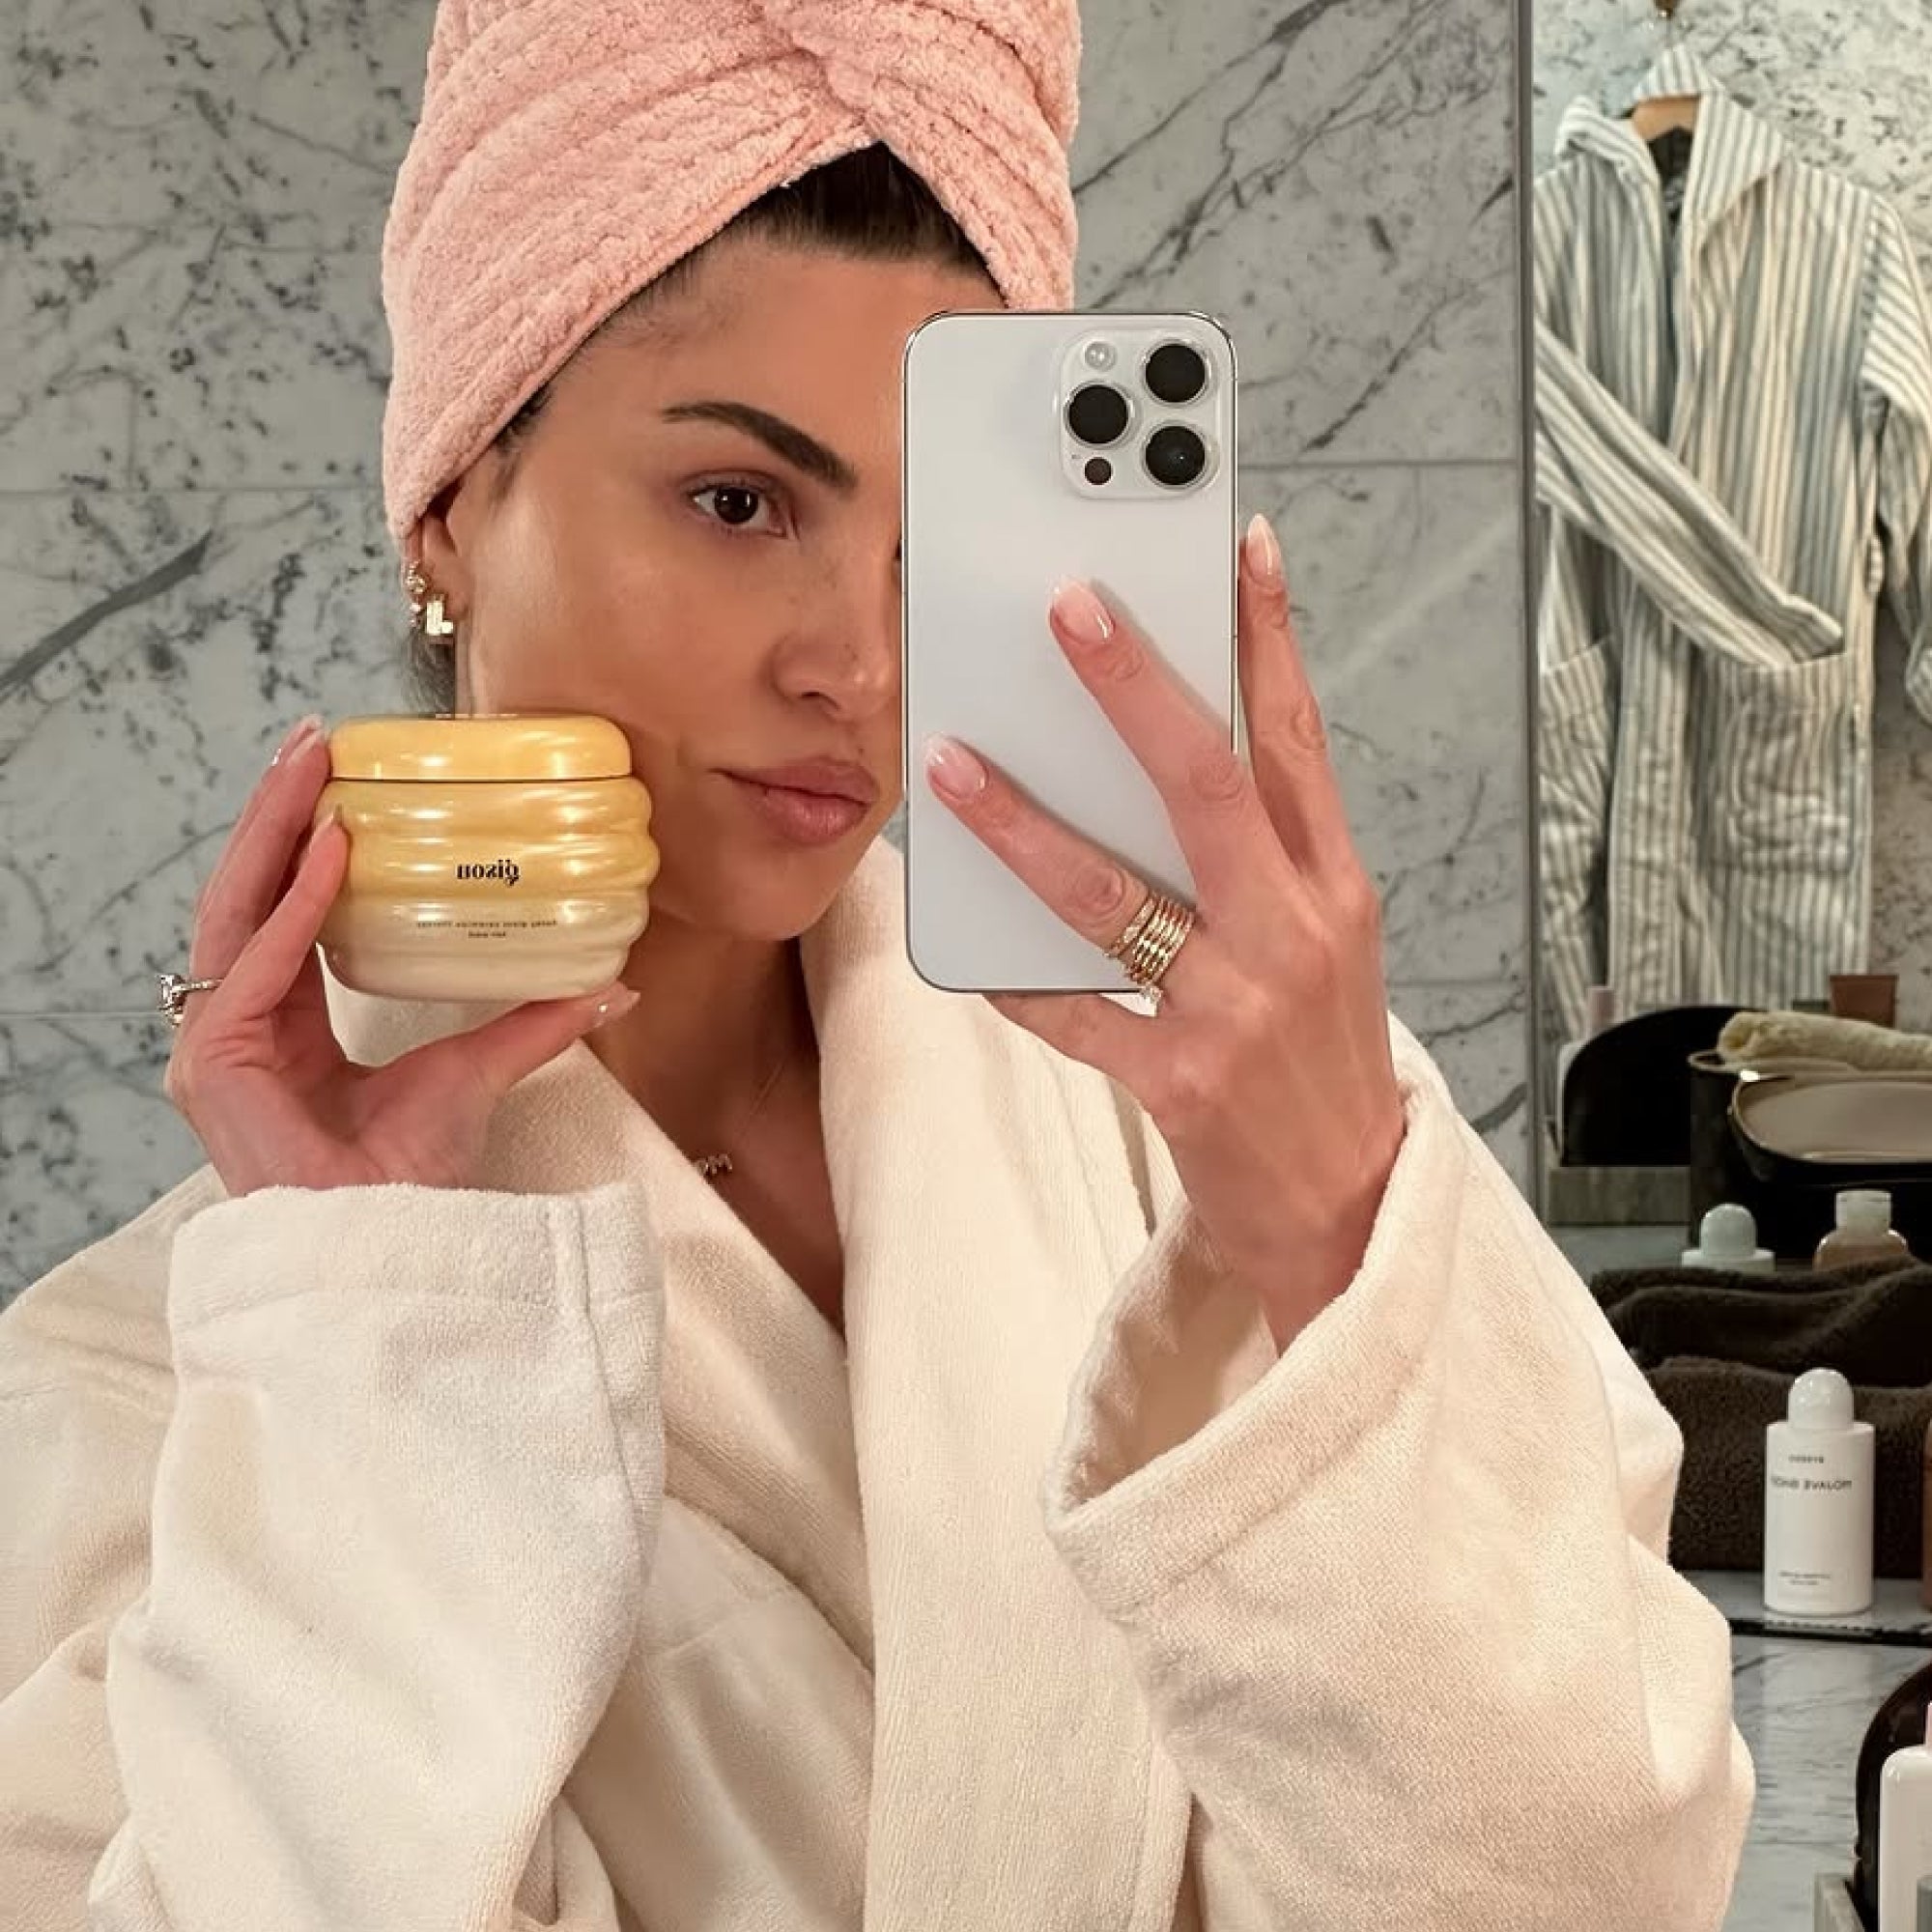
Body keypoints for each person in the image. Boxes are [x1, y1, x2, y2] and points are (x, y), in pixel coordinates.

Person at [0, 2, 1752, 1927]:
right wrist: (371, 1341)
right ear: (452, 508)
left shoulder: (1193, 1147)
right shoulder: (160, 1374)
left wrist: (1335, 1215)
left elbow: (1600, 1888)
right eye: (738, 502)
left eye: (939, 546)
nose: (859, 659)